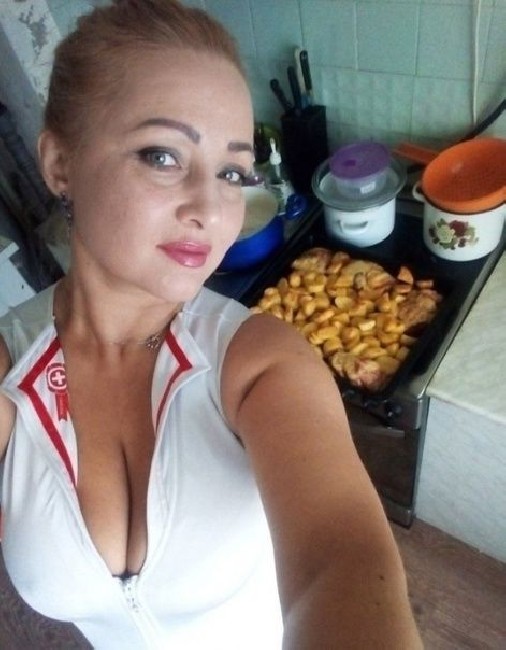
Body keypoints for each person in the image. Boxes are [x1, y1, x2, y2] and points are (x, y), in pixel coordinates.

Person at [0, 0, 423, 648]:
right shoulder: (11, 370)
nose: (211, 206)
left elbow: (341, 561)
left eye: (231, 172)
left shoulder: (257, 361)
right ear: (60, 164)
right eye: (163, 156)